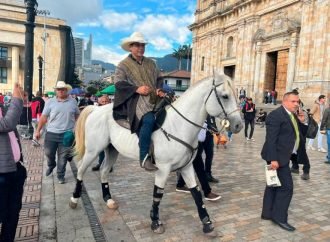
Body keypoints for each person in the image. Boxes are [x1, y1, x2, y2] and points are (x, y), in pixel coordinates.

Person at [113, 32, 165, 171]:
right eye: (137, 45)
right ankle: (144, 157)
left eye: (142, 45)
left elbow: (159, 79)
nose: (140, 48)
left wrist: (159, 89)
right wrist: (137, 89)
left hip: (155, 98)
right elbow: (118, 83)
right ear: (130, 47)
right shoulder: (123, 65)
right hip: (136, 100)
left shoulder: (151, 63)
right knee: (148, 120)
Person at [261, 91, 308, 232]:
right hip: (277, 157)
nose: (296, 104)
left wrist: (302, 121)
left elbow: (302, 134)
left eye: (298, 101)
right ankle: (279, 217)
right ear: (285, 101)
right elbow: (271, 140)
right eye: (293, 101)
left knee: (273, 184)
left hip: (285, 156)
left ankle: (267, 213)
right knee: (287, 188)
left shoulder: (292, 115)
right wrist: (273, 159)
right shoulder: (275, 115)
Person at [35, 81, 80, 184]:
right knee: (49, 153)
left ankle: (60, 175)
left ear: (66, 90)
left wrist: (78, 127)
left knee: (63, 157)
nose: (60, 91)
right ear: (56, 91)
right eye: (58, 89)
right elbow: (43, 117)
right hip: (51, 133)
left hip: (67, 135)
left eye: (62, 89)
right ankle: (51, 165)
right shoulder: (50, 102)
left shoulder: (73, 101)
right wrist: (38, 131)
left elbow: (77, 115)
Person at [0, 83, 27, 242]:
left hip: (14, 169)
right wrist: (17, 99)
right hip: (2, 174)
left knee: (13, 213)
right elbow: (7, 124)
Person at [176, 127, 221, 201]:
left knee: (191, 165)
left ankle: (180, 185)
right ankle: (207, 192)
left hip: (197, 142)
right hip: (192, 142)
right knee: (199, 168)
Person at [92, 95, 111, 171]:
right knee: (100, 150)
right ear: (99, 102)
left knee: (109, 151)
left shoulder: (111, 109)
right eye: (103, 102)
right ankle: (101, 163)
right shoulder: (97, 110)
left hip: (110, 133)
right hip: (100, 132)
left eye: (106, 101)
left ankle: (108, 166)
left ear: (109, 101)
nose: (105, 103)